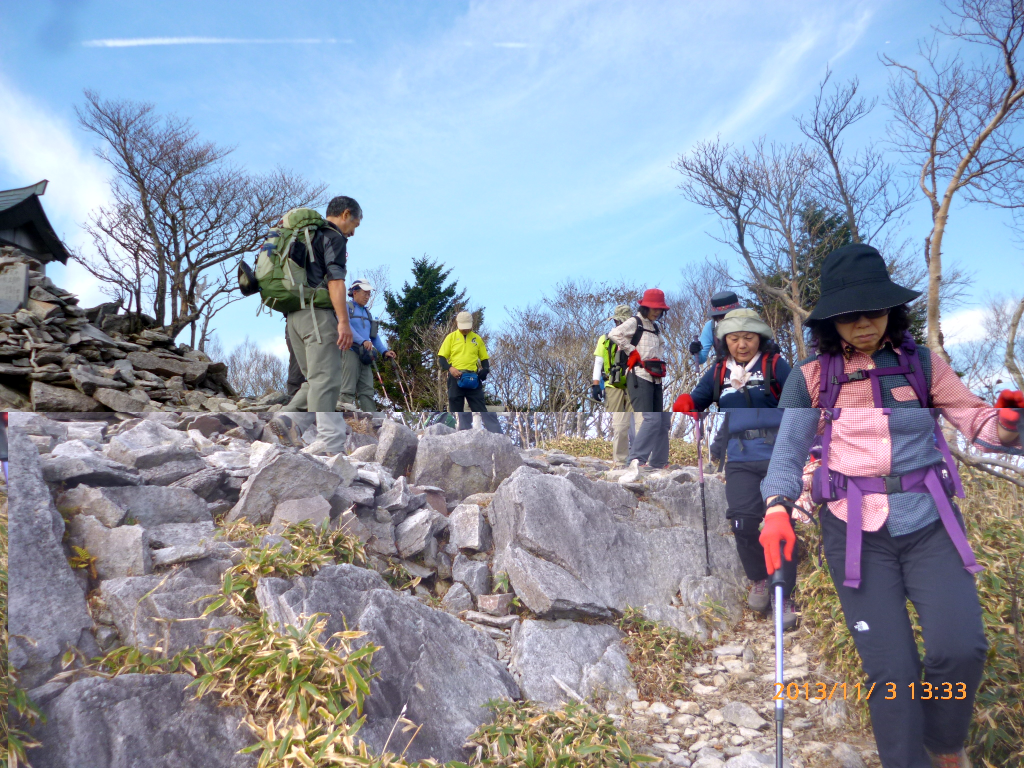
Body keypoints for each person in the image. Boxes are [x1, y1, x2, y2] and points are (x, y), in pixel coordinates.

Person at [759, 243, 1022, 768]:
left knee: (961, 646)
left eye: (874, 313)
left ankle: (943, 743)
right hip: (853, 530)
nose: (863, 326)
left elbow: (975, 421)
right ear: (830, 321)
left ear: (891, 311)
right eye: (849, 317)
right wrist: (776, 508)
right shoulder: (812, 377)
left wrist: (1009, 424)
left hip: (929, 521)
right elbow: (787, 455)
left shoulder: (924, 365)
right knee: (893, 673)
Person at [672, 309, 796, 628]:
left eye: (749, 337)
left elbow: (800, 400)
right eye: (734, 338)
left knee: (778, 523)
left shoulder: (774, 365)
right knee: (742, 523)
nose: (742, 344)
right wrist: (689, 403)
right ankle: (760, 578)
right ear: (725, 341)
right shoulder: (717, 371)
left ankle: (785, 594)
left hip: (776, 452)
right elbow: (699, 399)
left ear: (760, 338)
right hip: (738, 455)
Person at [281, 195, 361, 454]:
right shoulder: (333, 236)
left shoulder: (304, 235)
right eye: (355, 225)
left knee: (313, 382)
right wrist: (344, 322)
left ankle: (285, 422)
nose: (353, 232)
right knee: (327, 381)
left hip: (294, 318)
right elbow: (336, 282)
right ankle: (332, 450)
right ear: (346, 214)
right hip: (317, 317)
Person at [609, 289, 671, 469]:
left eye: (660, 309)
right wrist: (631, 351)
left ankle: (659, 462)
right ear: (644, 307)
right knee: (651, 419)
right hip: (639, 376)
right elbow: (615, 334)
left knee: (661, 421)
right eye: (653, 308)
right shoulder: (634, 321)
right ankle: (635, 460)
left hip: (655, 377)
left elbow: (660, 344)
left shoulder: (655, 327)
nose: (657, 312)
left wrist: (658, 361)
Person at [438, 311, 501, 433]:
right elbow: (441, 358)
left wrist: (485, 370)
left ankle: (498, 435)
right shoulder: (450, 337)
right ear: (457, 324)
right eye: (462, 327)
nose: (465, 330)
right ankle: (463, 436)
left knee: (482, 409)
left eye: (467, 327)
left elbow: (484, 358)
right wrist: (451, 368)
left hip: (473, 378)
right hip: (455, 377)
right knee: (459, 412)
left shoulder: (477, 339)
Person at [340, 279, 395, 412]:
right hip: (350, 350)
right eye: (365, 293)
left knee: (367, 391)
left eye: (369, 294)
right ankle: (344, 417)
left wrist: (384, 351)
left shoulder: (367, 313)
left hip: (365, 354)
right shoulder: (346, 307)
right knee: (347, 389)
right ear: (354, 292)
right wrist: (362, 341)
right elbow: (345, 327)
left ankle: (371, 420)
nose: (367, 297)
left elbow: (374, 336)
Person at [593, 304, 637, 467]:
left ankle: (637, 458)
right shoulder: (605, 338)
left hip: (635, 385)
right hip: (615, 386)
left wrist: (596, 385)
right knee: (620, 425)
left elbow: (598, 362)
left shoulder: (637, 338)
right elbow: (599, 362)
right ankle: (620, 461)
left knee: (637, 425)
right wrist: (596, 384)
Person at [689, 290, 741, 365]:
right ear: (716, 316)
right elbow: (701, 359)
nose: (726, 318)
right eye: (722, 316)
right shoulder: (711, 327)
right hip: (724, 366)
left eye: (730, 315)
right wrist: (696, 351)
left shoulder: (749, 322)